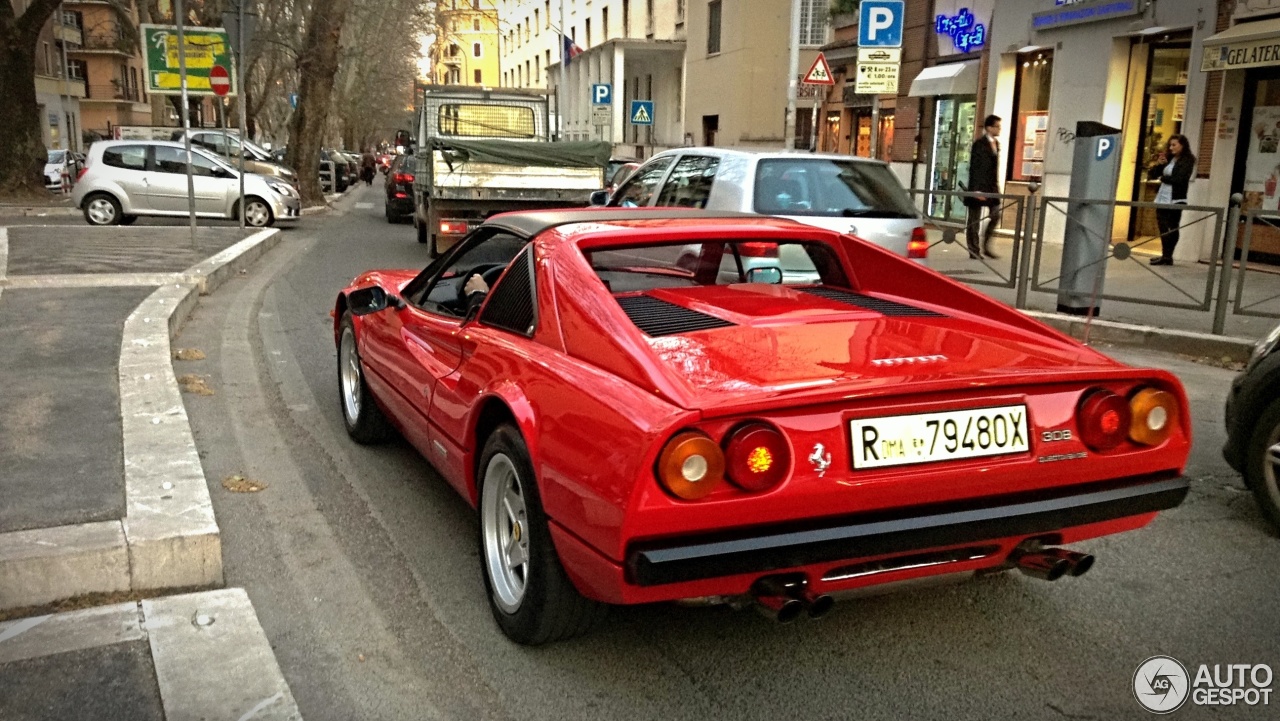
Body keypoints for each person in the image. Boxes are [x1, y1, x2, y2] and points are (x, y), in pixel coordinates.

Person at [1146, 134, 1196, 266]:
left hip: (1176, 198)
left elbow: (1179, 179)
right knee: (1163, 227)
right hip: (1162, 197)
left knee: (1173, 227)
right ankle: (1165, 255)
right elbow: (1151, 174)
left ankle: (1168, 255)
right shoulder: (1169, 158)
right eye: (1170, 145)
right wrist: (1159, 165)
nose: (1171, 147)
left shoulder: (1188, 160)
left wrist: (1162, 178)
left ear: (1182, 145)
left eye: (1174, 145)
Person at [964, 115, 1003, 260]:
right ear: (989, 128)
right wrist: (976, 190)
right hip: (978, 186)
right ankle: (973, 250)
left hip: (992, 187)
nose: (999, 129)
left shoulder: (996, 144)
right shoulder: (979, 144)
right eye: (997, 126)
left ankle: (986, 246)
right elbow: (975, 168)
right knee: (974, 220)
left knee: (995, 214)